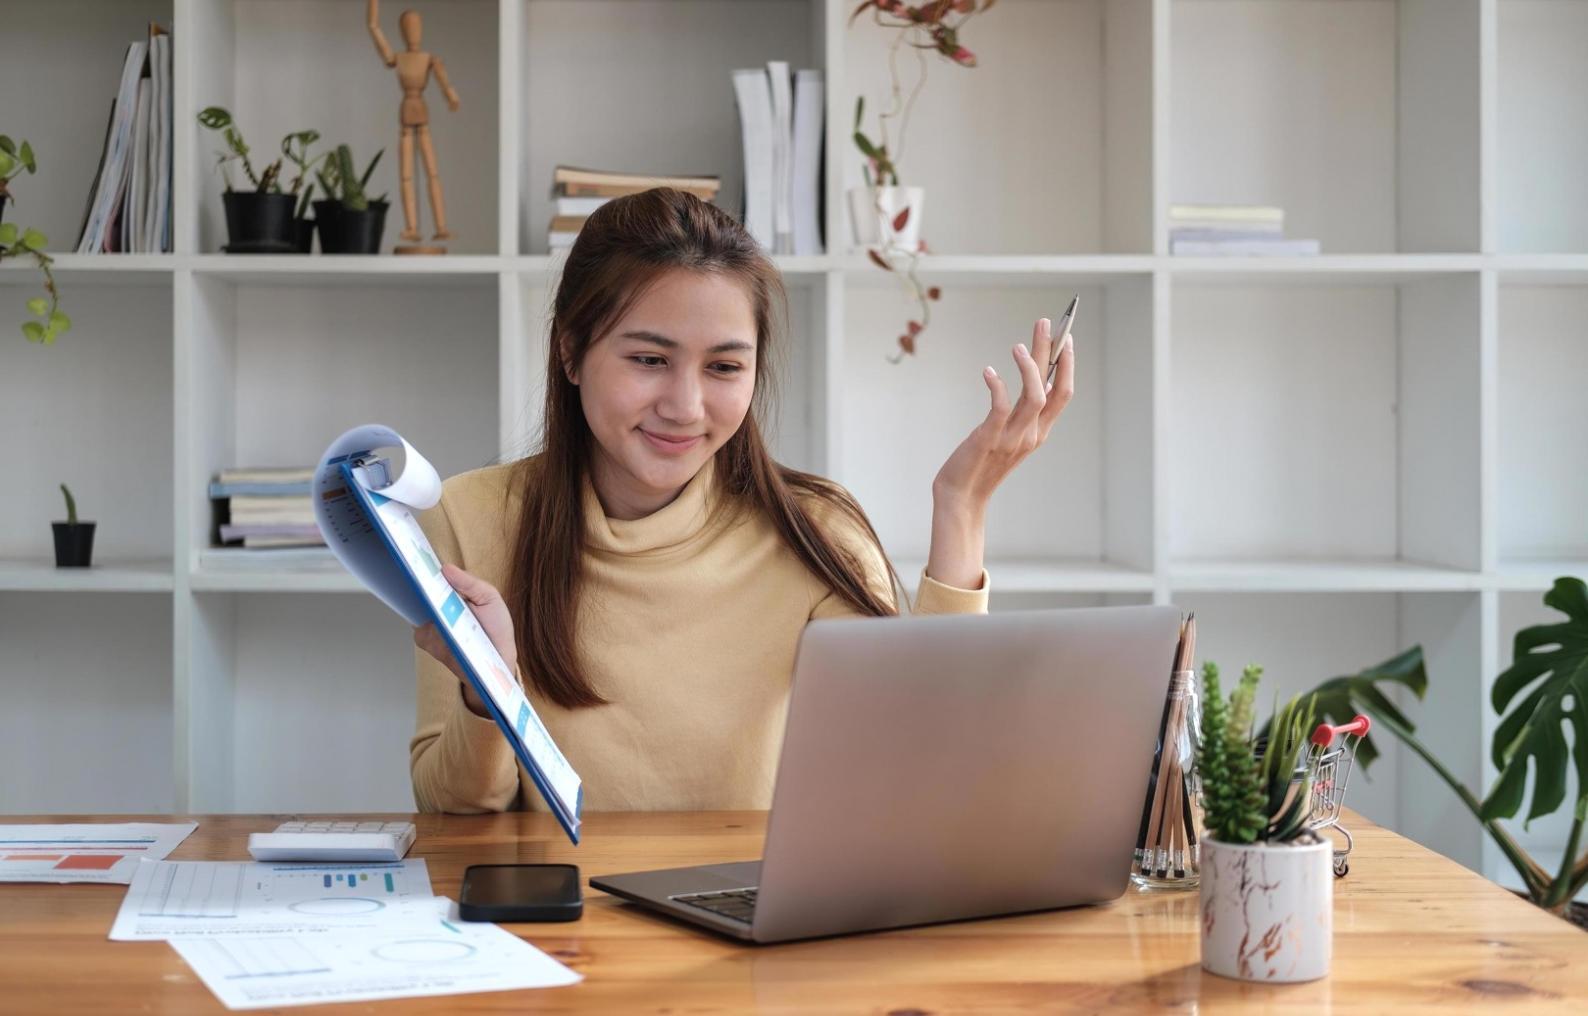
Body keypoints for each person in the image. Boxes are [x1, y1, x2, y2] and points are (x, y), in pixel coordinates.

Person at [410, 187, 1075, 813]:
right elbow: (455, 813)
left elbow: (929, 766)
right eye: (649, 359)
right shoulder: (468, 518)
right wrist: (486, 689)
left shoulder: (816, 532)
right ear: (571, 352)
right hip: (559, 926)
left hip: (751, 918)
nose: (685, 406)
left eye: (724, 367)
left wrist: (961, 506)